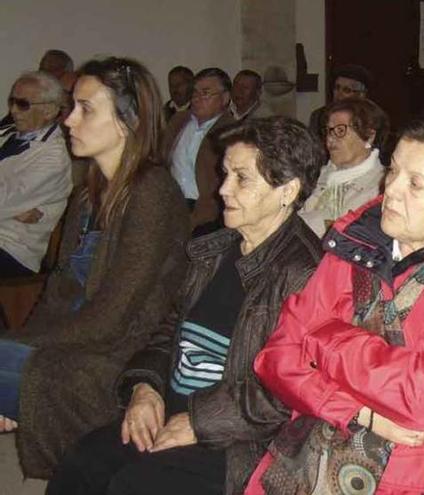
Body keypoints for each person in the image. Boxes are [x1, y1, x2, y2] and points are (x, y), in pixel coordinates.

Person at [47, 116, 326, 495]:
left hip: (238, 439)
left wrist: (197, 423)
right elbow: (169, 329)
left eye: (241, 178)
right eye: (225, 173)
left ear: (287, 190)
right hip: (173, 408)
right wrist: (146, 387)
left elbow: (285, 392)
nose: (223, 189)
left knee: (132, 486)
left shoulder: (306, 273)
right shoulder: (215, 250)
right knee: (83, 463)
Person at [243, 119, 424, 494]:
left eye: (415, 184)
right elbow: (276, 357)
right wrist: (359, 412)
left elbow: (421, 399)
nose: (391, 189)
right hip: (316, 446)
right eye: (393, 170)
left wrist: (326, 338)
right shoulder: (356, 243)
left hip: (423, 472)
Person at [0, 57, 190, 478]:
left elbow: (113, 319)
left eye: (86, 108)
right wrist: (14, 345)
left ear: (127, 120)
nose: (69, 120)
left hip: (118, 353)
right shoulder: (88, 196)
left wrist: (20, 349)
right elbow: (57, 291)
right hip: (74, 339)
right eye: (72, 107)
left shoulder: (152, 195)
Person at [0, 71, 72, 278]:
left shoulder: (53, 157)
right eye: (12, 101)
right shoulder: (7, 134)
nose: (13, 110)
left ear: (49, 110)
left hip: (11, 247)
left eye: (22, 104)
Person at [299, 97, 388, 236]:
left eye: (340, 131)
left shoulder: (382, 186)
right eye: (328, 130)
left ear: (369, 136)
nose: (330, 138)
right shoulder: (315, 174)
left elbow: (345, 235)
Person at [163, 67, 237, 232]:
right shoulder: (178, 121)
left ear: (225, 98)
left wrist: (196, 218)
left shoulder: (232, 131)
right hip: (171, 206)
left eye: (205, 93)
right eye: (194, 93)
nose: (197, 99)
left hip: (208, 213)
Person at [308, 63, 371, 137]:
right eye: (337, 88)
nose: (339, 94)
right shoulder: (319, 117)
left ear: (361, 95)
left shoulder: (371, 118)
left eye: (346, 90)